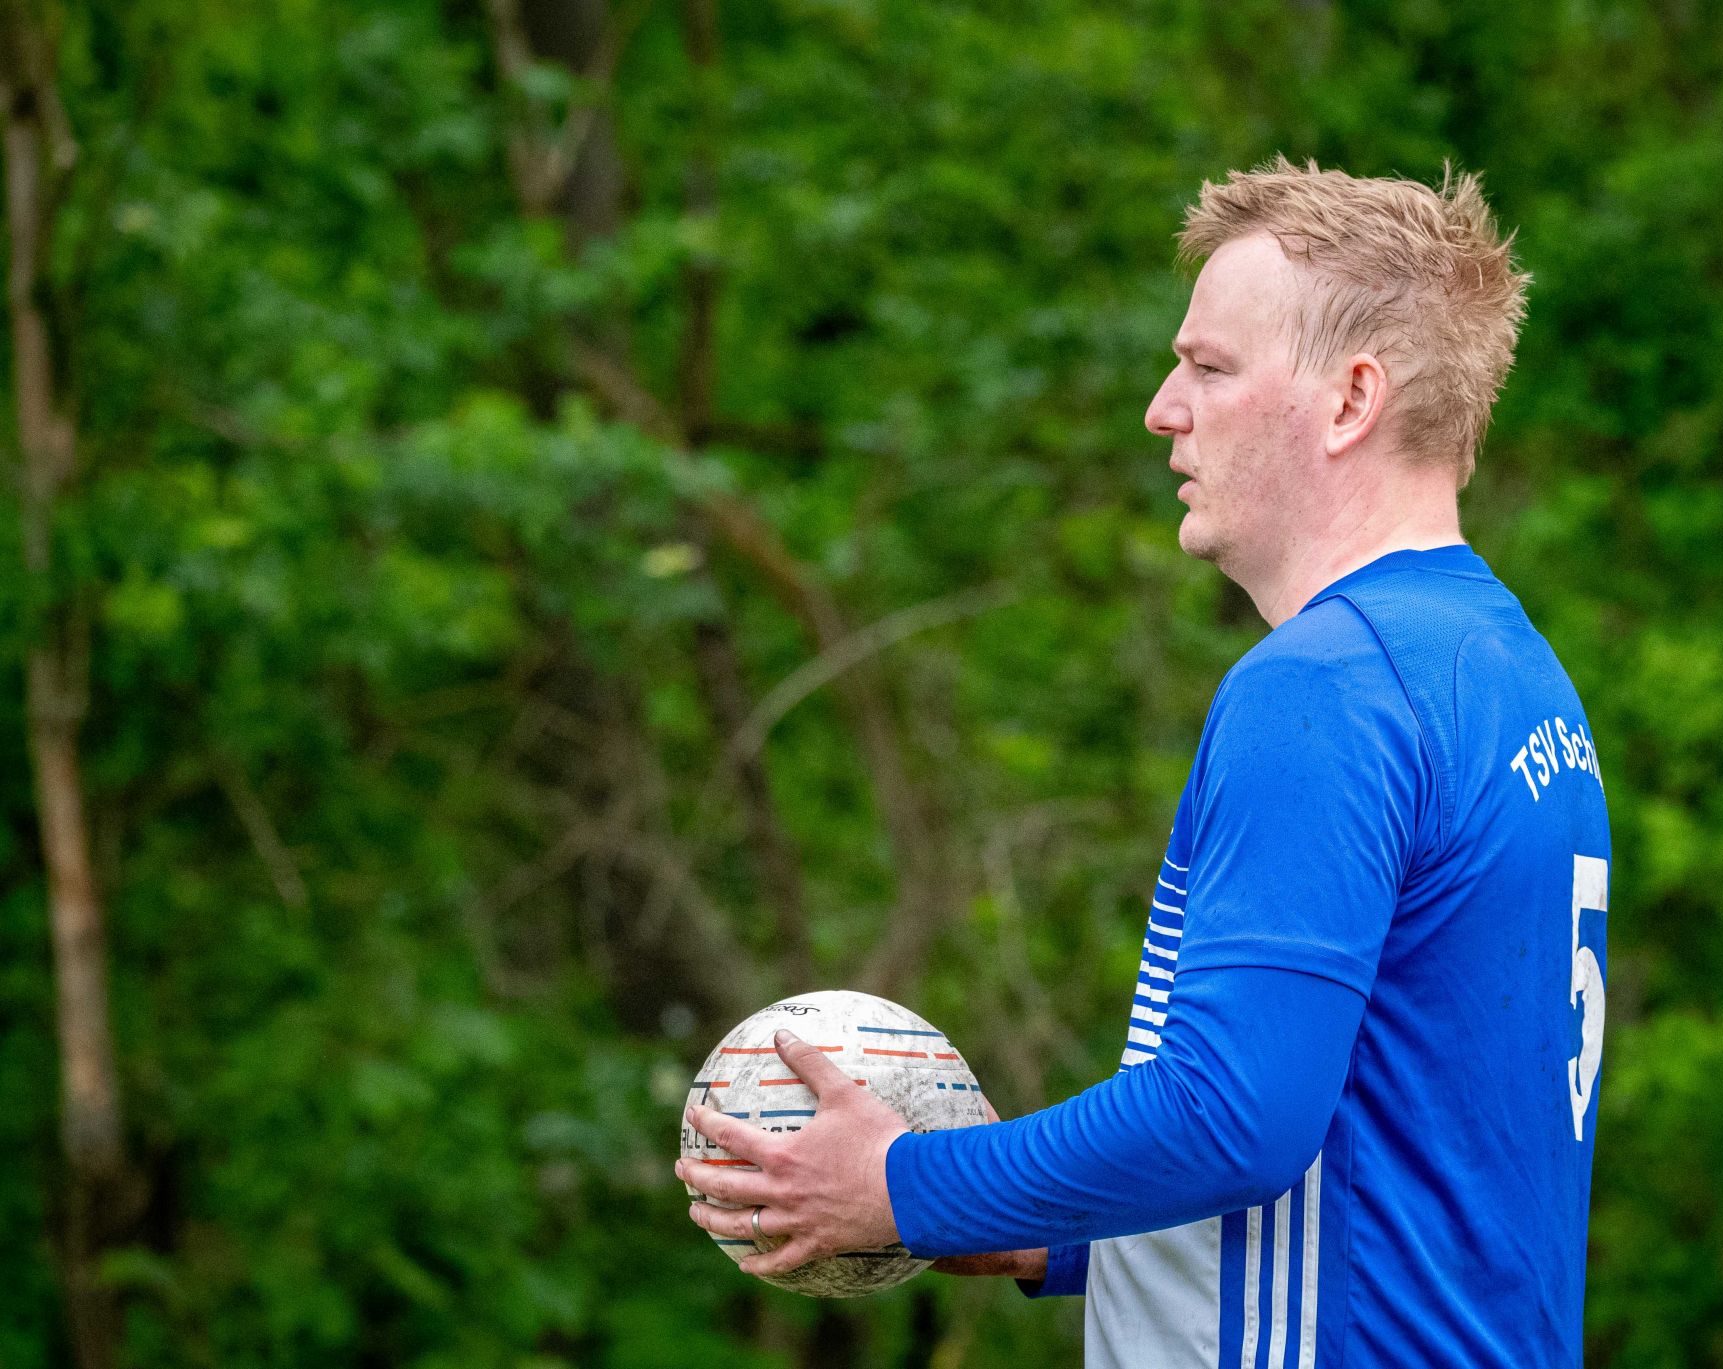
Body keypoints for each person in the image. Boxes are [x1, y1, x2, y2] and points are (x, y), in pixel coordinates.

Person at [678, 156, 1612, 1368]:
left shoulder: (1326, 685)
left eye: (1208, 369)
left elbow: (1231, 1118)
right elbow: (1409, 1146)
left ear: (1349, 401)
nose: (1162, 409)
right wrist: (1028, 1226)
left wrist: (903, 1184)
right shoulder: (1511, 673)